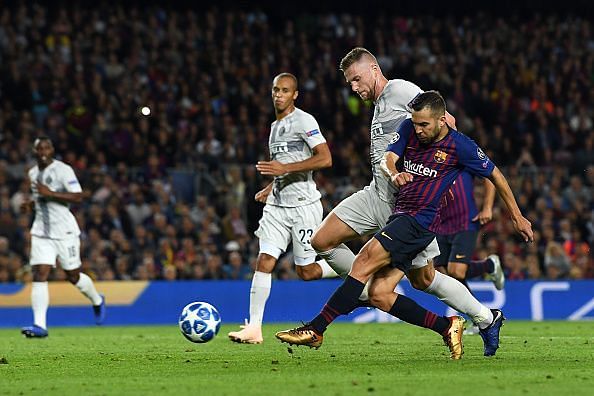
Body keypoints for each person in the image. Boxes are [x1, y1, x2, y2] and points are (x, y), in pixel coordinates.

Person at [276, 91, 534, 357]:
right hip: (399, 215)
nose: (418, 130)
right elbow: (389, 157)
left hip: (418, 221)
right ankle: (459, 324)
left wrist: (517, 216)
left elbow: (496, 176)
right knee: (380, 293)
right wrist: (395, 172)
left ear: (442, 120)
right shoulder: (409, 127)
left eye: (425, 125)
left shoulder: (460, 147)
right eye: (416, 123)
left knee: (364, 261)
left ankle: (316, 329)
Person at [227, 73, 335, 344]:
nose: (279, 94)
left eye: (285, 90)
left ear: (295, 94)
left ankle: (355, 266)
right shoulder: (275, 126)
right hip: (277, 205)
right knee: (264, 261)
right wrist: (272, 185)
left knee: (306, 272)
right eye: (276, 89)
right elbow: (284, 163)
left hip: (303, 206)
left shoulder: (304, 120)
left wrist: (285, 169)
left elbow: (325, 158)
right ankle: (254, 328)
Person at [21, 137, 106, 338]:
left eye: (46, 147)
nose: (43, 151)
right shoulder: (32, 173)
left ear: (52, 150)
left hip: (65, 232)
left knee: (73, 276)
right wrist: (31, 205)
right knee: (40, 273)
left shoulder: (63, 170)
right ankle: (39, 325)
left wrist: (50, 193)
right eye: (39, 148)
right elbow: (40, 197)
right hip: (42, 231)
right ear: (35, 152)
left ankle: (97, 300)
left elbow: (78, 196)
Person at [433, 172, 504, 334]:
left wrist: (487, 207)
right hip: (440, 224)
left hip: (465, 222)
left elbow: (489, 176)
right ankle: (488, 266)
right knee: (442, 272)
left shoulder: (460, 150)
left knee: (456, 271)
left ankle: (481, 318)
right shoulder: (427, 158)